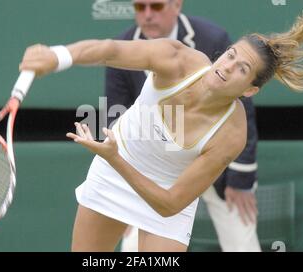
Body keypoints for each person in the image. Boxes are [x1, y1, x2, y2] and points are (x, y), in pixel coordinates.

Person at [19, 13, 303, 252]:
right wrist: (58, 56)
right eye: (232, 54)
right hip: (114, 173)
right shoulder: (177, 58)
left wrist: (116, 159)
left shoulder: (231, 135)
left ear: (249, 90)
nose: (228, 65)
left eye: (242, 69)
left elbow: (170, 204)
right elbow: (109, 50)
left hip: (163, 198)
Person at [105, 0, 261, 252]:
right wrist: (126, 192)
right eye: (139, 7)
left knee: (243, 244)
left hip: (213, 164)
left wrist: (241, 179)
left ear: (176, 5)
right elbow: (116, 116)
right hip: (153, 168)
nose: (147, 15)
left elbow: (244, 113)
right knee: (132, 247)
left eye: (155, 6)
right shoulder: (122, 46)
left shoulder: (213, 38)